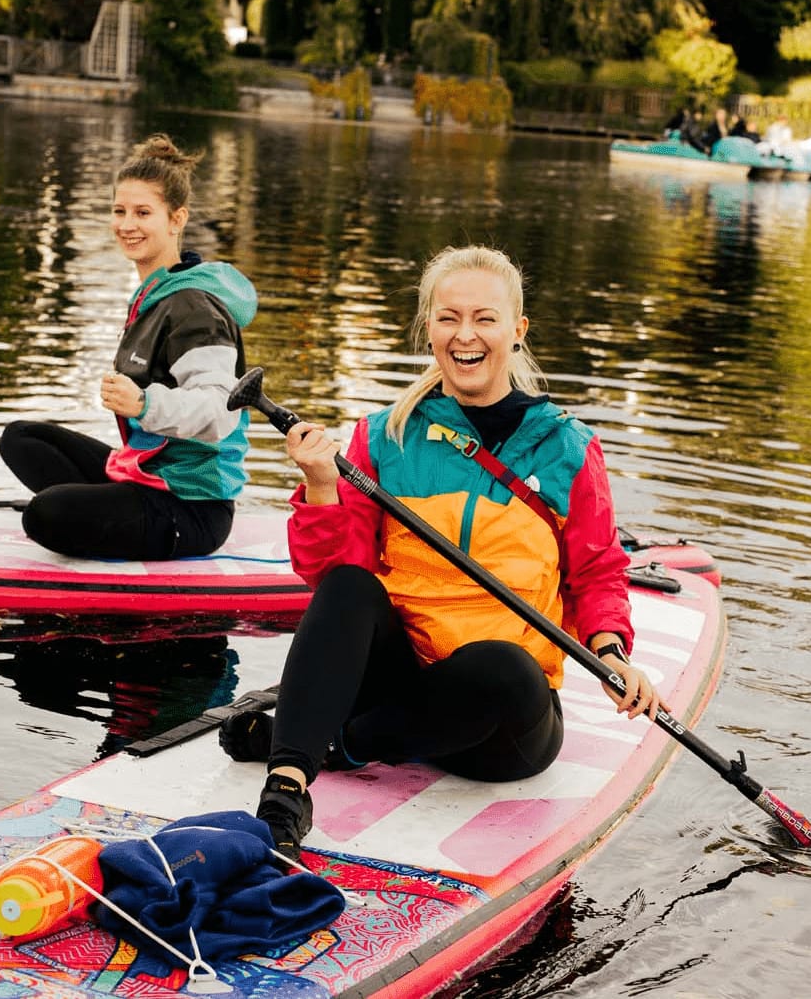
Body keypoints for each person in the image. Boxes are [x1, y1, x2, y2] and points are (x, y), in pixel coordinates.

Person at [219, 245, 659, 859]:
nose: (465, 334)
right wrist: (321, 487)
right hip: (401, 675)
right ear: (430, 330)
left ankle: (329, 742)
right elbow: (330, 576)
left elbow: (596, 570)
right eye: (448, 318)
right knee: (351, 587)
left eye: (485, 318)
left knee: (504, 667)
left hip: (500, 718)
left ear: (517, 330)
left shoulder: (567, 448)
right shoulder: (385, 436)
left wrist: (612, 651)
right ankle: (286, 792)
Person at [0, 134, 257, 561]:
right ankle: (109, 507)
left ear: (176, 219)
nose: (126, 224)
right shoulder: (156, 294)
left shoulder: (194, 307)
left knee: (44, 516)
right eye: (119, 211)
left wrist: (143, 403)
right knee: (21, 439)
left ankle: (99, 513)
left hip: (192, 507)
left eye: (142, 213)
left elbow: (218, 412)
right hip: (148, 473)